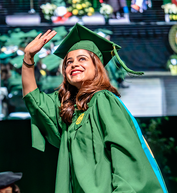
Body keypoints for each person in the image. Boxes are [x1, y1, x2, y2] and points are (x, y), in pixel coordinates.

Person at [22, 23, 168, 193]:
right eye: (69, 62)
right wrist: (28, 59)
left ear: (97, 66)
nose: (73, 64)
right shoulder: (70, 111)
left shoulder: (103, 100)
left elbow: (124, 154)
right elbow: (34, 101)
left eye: (82, 59)